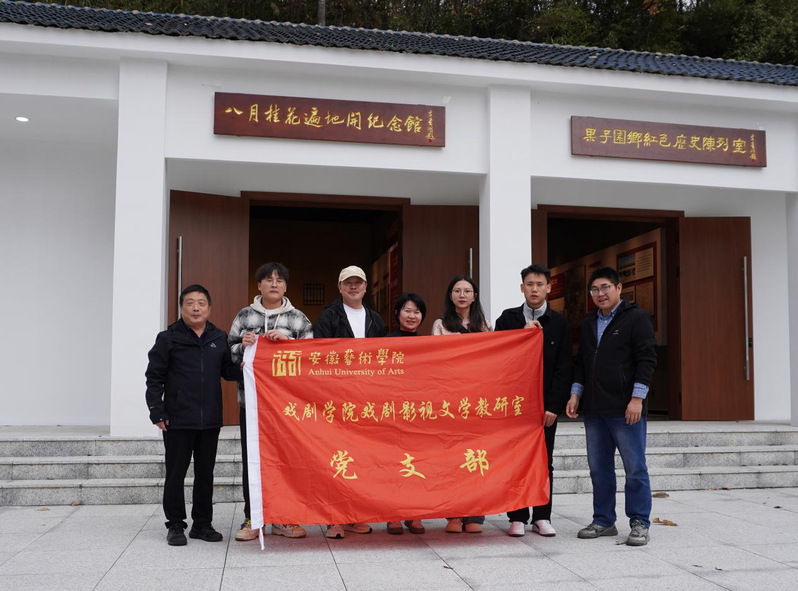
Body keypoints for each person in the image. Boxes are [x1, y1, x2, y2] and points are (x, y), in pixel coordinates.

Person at [565, 266, 657, 547]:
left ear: (618, 288)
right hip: (594, 409)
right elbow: (582, 362)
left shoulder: (637, 318)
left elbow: (647, 359)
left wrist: (637, 398)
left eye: (605, 287)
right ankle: (604, 520)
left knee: (635, 467)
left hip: (625, 407)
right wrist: (575, 394)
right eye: (594, 289)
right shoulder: (589, 322)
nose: (600, 293)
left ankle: (640, 522)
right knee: (599, 469)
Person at [145, 284, 241, 547]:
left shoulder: (218, 337)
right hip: (177, 419)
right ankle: (176, 524)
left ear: (209, 308)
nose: (196, 308)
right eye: (190, 303)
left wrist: (249, 362)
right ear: (181, 308)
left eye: (201, 303)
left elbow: (228, 371)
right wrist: (157, 410)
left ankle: (202, 524)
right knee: (176, 474)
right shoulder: (168, 338)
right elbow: (154, 377)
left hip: (210, 419)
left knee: (205, 474)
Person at [228, 262, 313, 542]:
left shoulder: (299, 319)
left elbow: (310, 357)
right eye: (268, 279)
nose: (274, 284)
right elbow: (229, 352)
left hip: (287, 407)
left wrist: (288, 343)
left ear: (286, 287)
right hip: (252, 405)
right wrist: (242, 346)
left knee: (286, 461)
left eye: (279, 280)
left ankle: (284, 518)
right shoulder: (244, 315)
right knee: (252, 461)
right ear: (259, 285)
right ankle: (253, 518)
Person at [495, 264, 572, 538]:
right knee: (515, 460)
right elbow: (498, 358)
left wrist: (554, 406)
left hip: (544, 407)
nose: (535, 289)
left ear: (549, 287)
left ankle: (542, 516)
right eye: (529, 284)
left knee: (544, 461)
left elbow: (564, 368)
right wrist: (521, 335)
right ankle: (517, 516)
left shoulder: (560, 323)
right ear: (522, 288)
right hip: (516, 406)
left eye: (540, 284)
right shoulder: (507, 319)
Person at [314, 265, 387, 538]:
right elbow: (318, 354)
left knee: (361, 459)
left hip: (367, 400)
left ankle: (357, 515)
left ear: (366, 287)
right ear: (340, 287)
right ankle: (334, 518)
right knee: (336, 458)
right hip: (337, 399)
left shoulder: (375, 319)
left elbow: (384, 357)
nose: (353, 287)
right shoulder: (329, 316)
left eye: (358, 282)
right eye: (348, 283)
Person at [431, 275, 490, 533]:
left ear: (474, 296)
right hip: (449, 401)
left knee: (476, 456)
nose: (462, 295)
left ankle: (475, 514)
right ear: (450, 295)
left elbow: (491, 359)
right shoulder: (440, 325)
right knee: (452, 459)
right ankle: (453, 514)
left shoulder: (484, 326)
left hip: (476, 401)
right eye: (457, 290)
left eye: (467, 291)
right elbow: (436, 360)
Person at [386, 292, 427, 535]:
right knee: (394, 463)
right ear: (397, 313)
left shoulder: (428, 346)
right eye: (407, 311)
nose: (412, 316)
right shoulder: (385, 342)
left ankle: (414, 513)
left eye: (417, 312)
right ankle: (393, 514)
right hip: (392, 413)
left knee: (417, 464)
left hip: (419, 414)